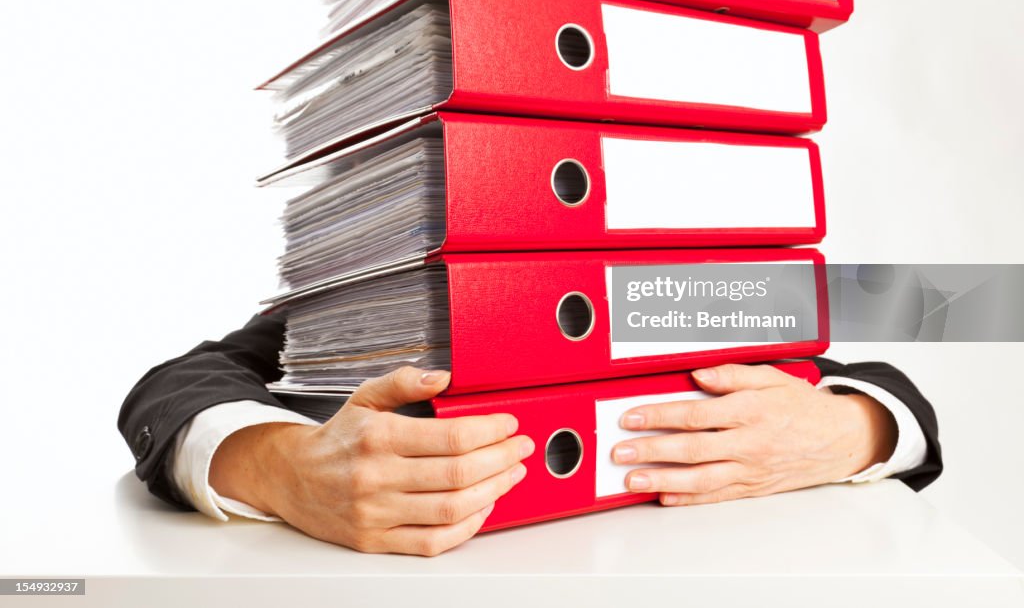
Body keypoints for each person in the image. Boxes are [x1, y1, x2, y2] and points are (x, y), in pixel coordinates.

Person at [118, 309, 941, 557]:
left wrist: (849, 427)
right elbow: (176, 383)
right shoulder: (373, 298)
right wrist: (279, 463)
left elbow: (875, 385)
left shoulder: (666, 290)